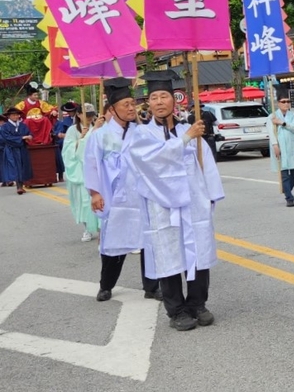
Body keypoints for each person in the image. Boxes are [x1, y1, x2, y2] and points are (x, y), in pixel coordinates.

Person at [126, 70, 224, 332]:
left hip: (193, 203)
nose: (159, 102)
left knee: (199, 253)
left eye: (164, 96)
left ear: (174, 101)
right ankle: (176, 310)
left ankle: (197, 304)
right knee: (168, 256)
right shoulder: (142, 135)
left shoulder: (190, 130)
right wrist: (185, 139)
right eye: (154, 97)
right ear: (149, 104)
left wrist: (211, 196)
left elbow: (207, 166)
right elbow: (150, 162)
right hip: (162, 207)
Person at [83, 78, 161, 302]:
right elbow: (91, 164)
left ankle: (152, 286)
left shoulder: (142, 132)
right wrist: (95, 193)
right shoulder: (100, 135)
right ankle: (106, 285)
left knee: (148, 241)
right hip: (115, 197)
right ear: (111, 109)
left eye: (132, 103)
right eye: (125, 104)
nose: (130, 108)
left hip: (142, 196)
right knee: (114, 243)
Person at [62, 105, 100, 241]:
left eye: (91, 114)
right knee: (83, 201)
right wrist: (81, 139)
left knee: (97, 199)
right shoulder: (73, 130)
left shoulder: (97, 127)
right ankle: (87, 228)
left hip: (94, 168)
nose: (89, 117)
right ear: (78, 115)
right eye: (86, 114)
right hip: (79, 169)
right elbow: (67, 151)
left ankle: (101, 228)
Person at [268, 84, 294, 207]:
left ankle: (287, 188)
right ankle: (289, 197)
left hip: (293, 146)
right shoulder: (272, 117)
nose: (286, 104)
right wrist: (275, 145)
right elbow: (271, 133)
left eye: (288, 101)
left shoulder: (292, 115)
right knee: (284, 173)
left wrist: (282, 123)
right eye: (284, 102)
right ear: (278, 103)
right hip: (280, 147)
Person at [0, 107, 33, 194]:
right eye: (13, 115)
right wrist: (21, 137)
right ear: (9, 116)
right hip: (11, 150)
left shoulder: (23, 125)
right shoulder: (4, 127)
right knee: (15, 167)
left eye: (17, 115)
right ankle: (18, 186)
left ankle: (21, 185)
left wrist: (29, 137)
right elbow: (7, 138)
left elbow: (29, 133)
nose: (15, 117)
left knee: (23, 167)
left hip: (22, 149)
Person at [15, 82, 57, 146]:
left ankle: (45, 139)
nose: (37, 96)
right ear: (29, 96)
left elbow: (49, 108)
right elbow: (16, 110)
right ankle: (29, 140)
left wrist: (53, 111)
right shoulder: (23, 103)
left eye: (37, 95)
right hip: (29, 120)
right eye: (35, 95)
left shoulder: (40, 103)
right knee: (27, 121)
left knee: (45, 119)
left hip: (40, 120)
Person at [52, 101, 78, 181]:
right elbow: (59, 132)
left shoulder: (81, 118)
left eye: (71, 111)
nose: (69, 113)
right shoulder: (66, 120)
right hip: (69, 144)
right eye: (68, 112)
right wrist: (59, 134)